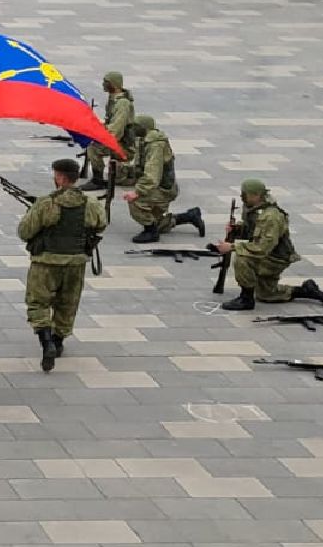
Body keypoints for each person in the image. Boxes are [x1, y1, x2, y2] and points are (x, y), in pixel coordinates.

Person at [18, 158, 106, 371]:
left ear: (59, 177)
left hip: (46, 262)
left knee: (38, 302)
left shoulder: (47, 203)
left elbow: (24, 232)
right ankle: (58, 342)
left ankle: (46, 341)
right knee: (68, 302)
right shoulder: (90, 203)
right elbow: (100, 223)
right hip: (76, 262)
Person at [216, 178, 323, 311]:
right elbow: (254, 231)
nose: (242, 197)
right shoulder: (254, 208)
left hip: (275, 258)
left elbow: (262, 248)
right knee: (266, 295)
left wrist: (232, 247)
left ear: (256, 196)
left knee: (243, 259)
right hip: (268, 254)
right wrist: (237, 229)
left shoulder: (272, 216)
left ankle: (246, 299)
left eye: (245, 194)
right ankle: (305, 290)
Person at [123, 115, 203, 242]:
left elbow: (152, 174)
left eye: (135, 127)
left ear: (143, 128)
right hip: (161, 186)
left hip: (162, 189)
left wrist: (137, 192)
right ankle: (190, 216)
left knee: (136, 202)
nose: (133, 130)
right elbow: (141, 166)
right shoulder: (145, 140)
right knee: (157, 222)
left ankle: (150, 232)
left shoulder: (155, 145)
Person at [81, 72, 136, 191]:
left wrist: (100, 138)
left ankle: (98, 180)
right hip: (119, 141)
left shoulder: (122, 104)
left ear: (114, 84)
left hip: (124, 146)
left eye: (106, 82)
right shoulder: (114, 100)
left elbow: (117, 129)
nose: (103, 84)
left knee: (93, 148)